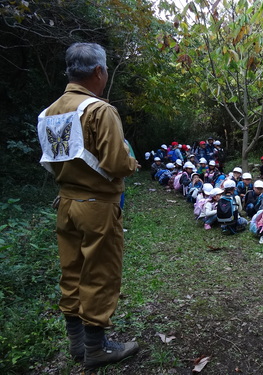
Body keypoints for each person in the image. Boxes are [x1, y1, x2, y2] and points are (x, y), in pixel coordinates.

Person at [37, 42, 139, 368]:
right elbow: (117, 163)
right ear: (98, 71)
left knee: (72, 271)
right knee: (99, 273)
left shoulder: (50, 112)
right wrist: (132, 160)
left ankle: (77, 344)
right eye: (106, 70)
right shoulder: (100, 110)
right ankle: (96, 349)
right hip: (97, 205)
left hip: (65, 202)